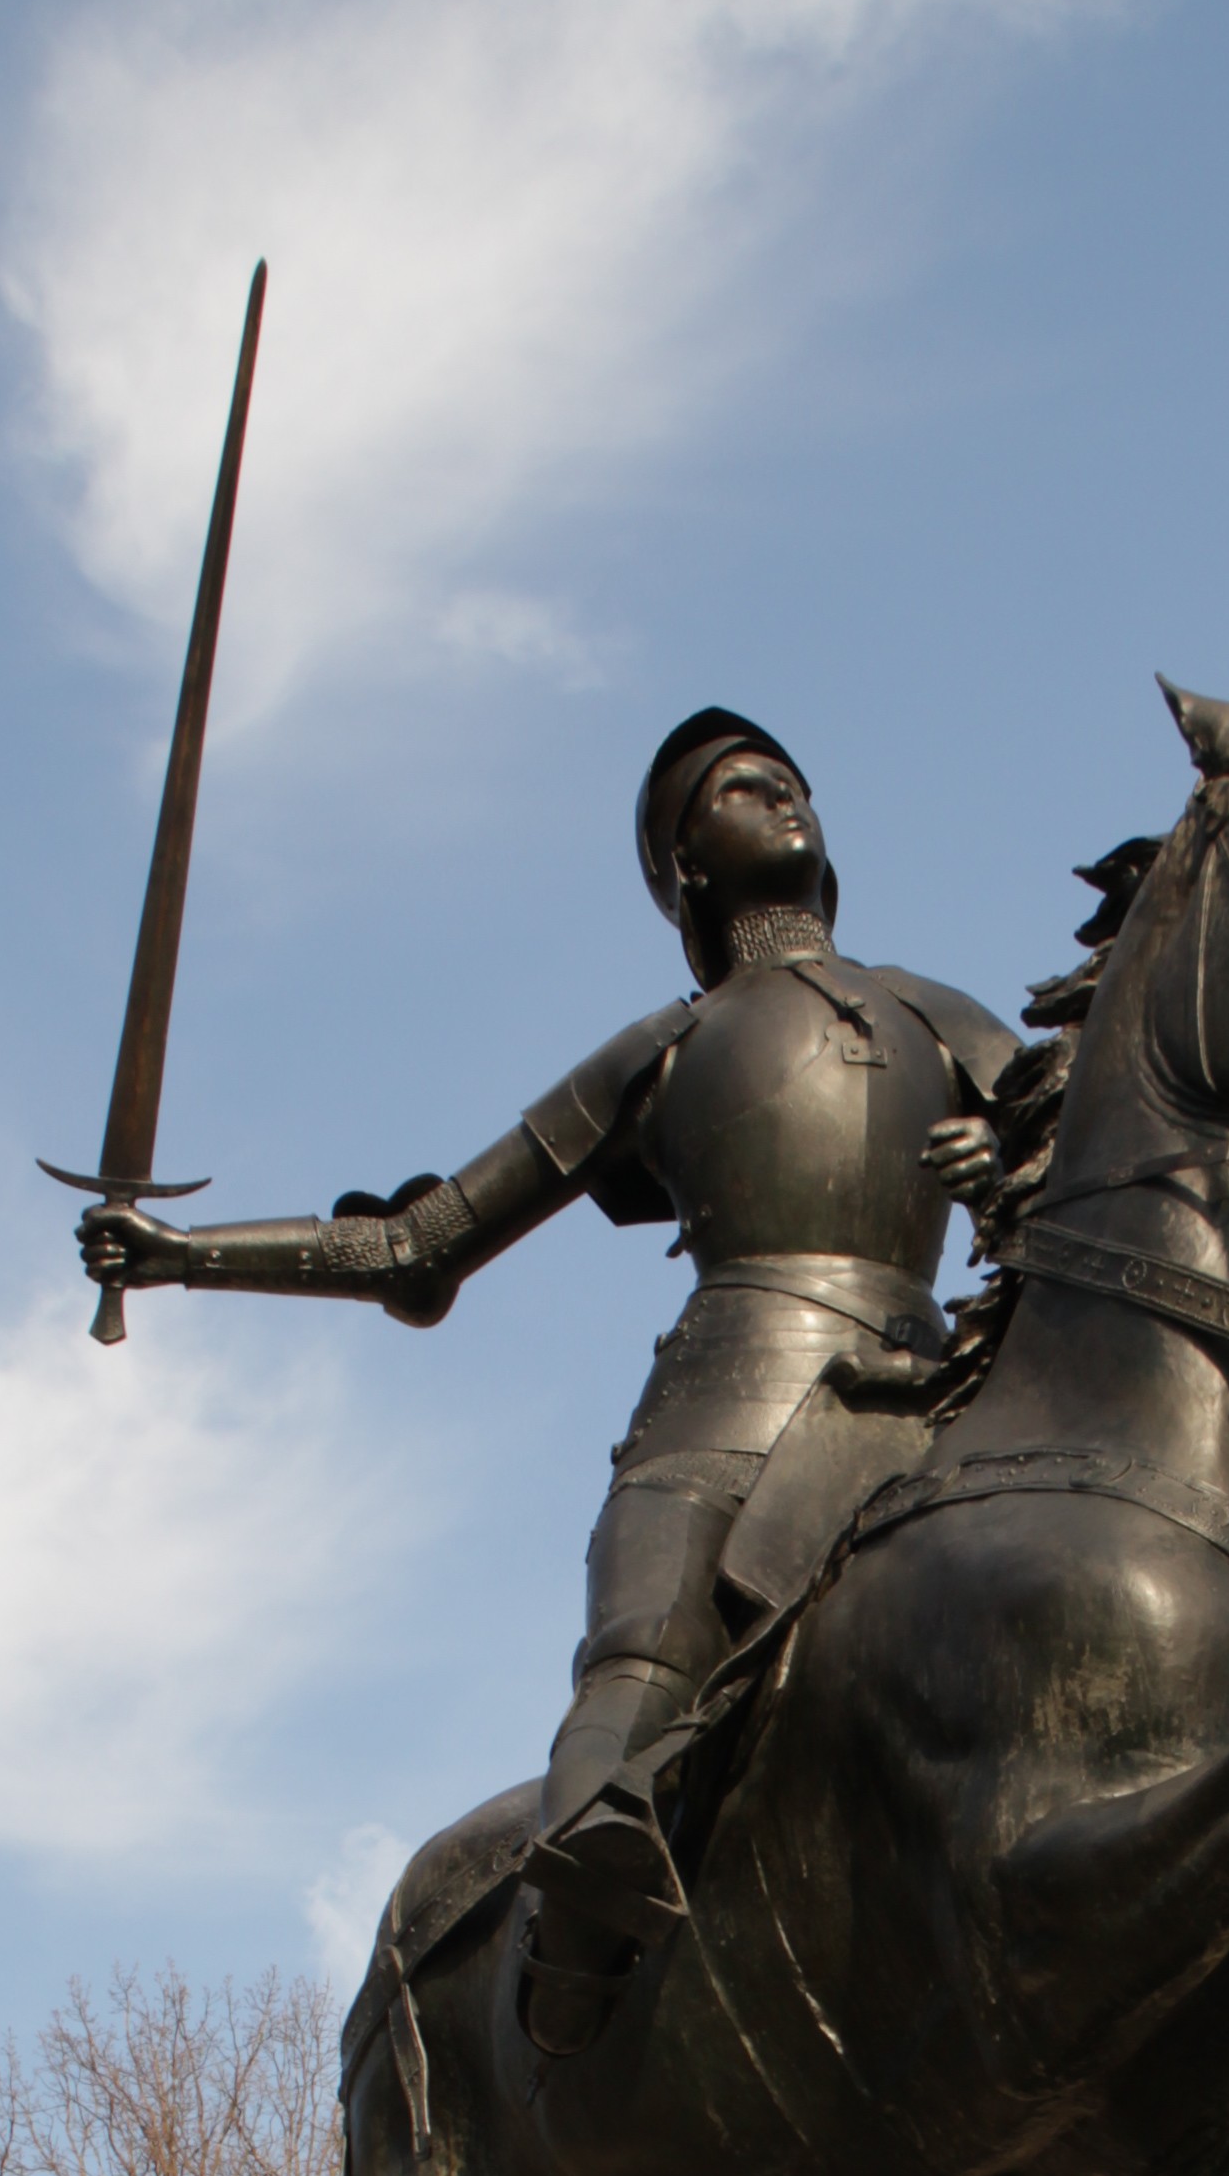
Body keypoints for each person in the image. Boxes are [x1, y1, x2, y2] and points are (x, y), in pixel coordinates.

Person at [80, 711, 1020, 2043]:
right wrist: (186, 1257)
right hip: (721, 1421)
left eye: (791, 782)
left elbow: (1101, 1175)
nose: (783, 798)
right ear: (686, 866)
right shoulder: (662, 1050)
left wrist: (1017, 1166)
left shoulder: (942, 1016)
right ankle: (580, 1990)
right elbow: (421, 1245)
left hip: (927, 1413)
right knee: (637, 1676)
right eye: (740, 790)